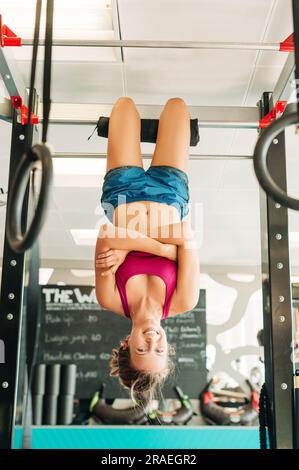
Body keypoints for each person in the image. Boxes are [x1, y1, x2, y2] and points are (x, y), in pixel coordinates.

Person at [94, 97, 200, 406]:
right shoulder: (183, 299)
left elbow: (106, 233)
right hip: (170, 191)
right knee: (177, 106)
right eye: (159, 350)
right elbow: (185, 232)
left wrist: (170, 252)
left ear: (127, 343)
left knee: (124, 105)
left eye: (142, 349)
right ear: (168, 348)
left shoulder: (111, 298)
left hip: (121, 193)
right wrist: (128, 246)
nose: (153, 340)